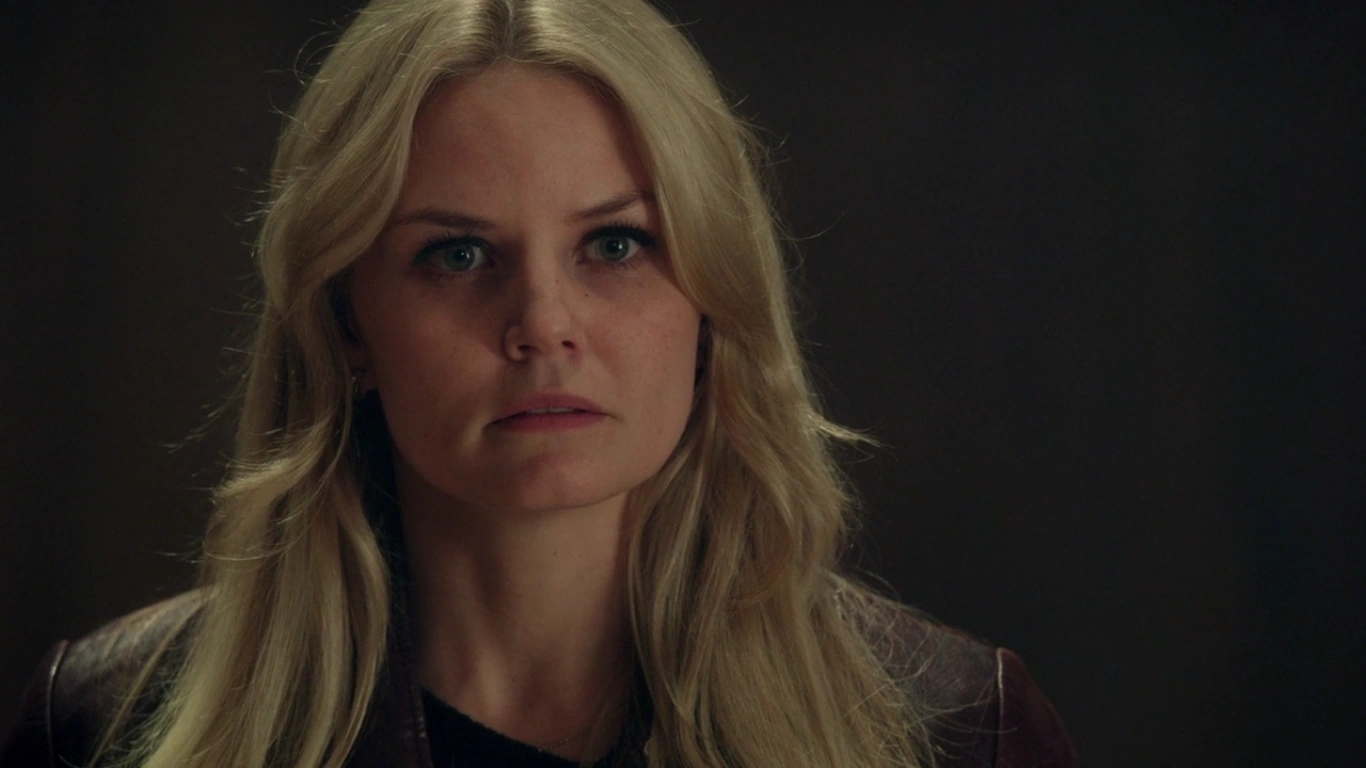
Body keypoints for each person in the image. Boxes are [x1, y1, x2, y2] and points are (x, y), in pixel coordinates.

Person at [0, 0, 1076, 766]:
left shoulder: (958, 732)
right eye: (458, 254)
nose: (543, 327)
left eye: (615, 245)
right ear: (346, 324)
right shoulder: (98, 726)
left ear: (712, 299)